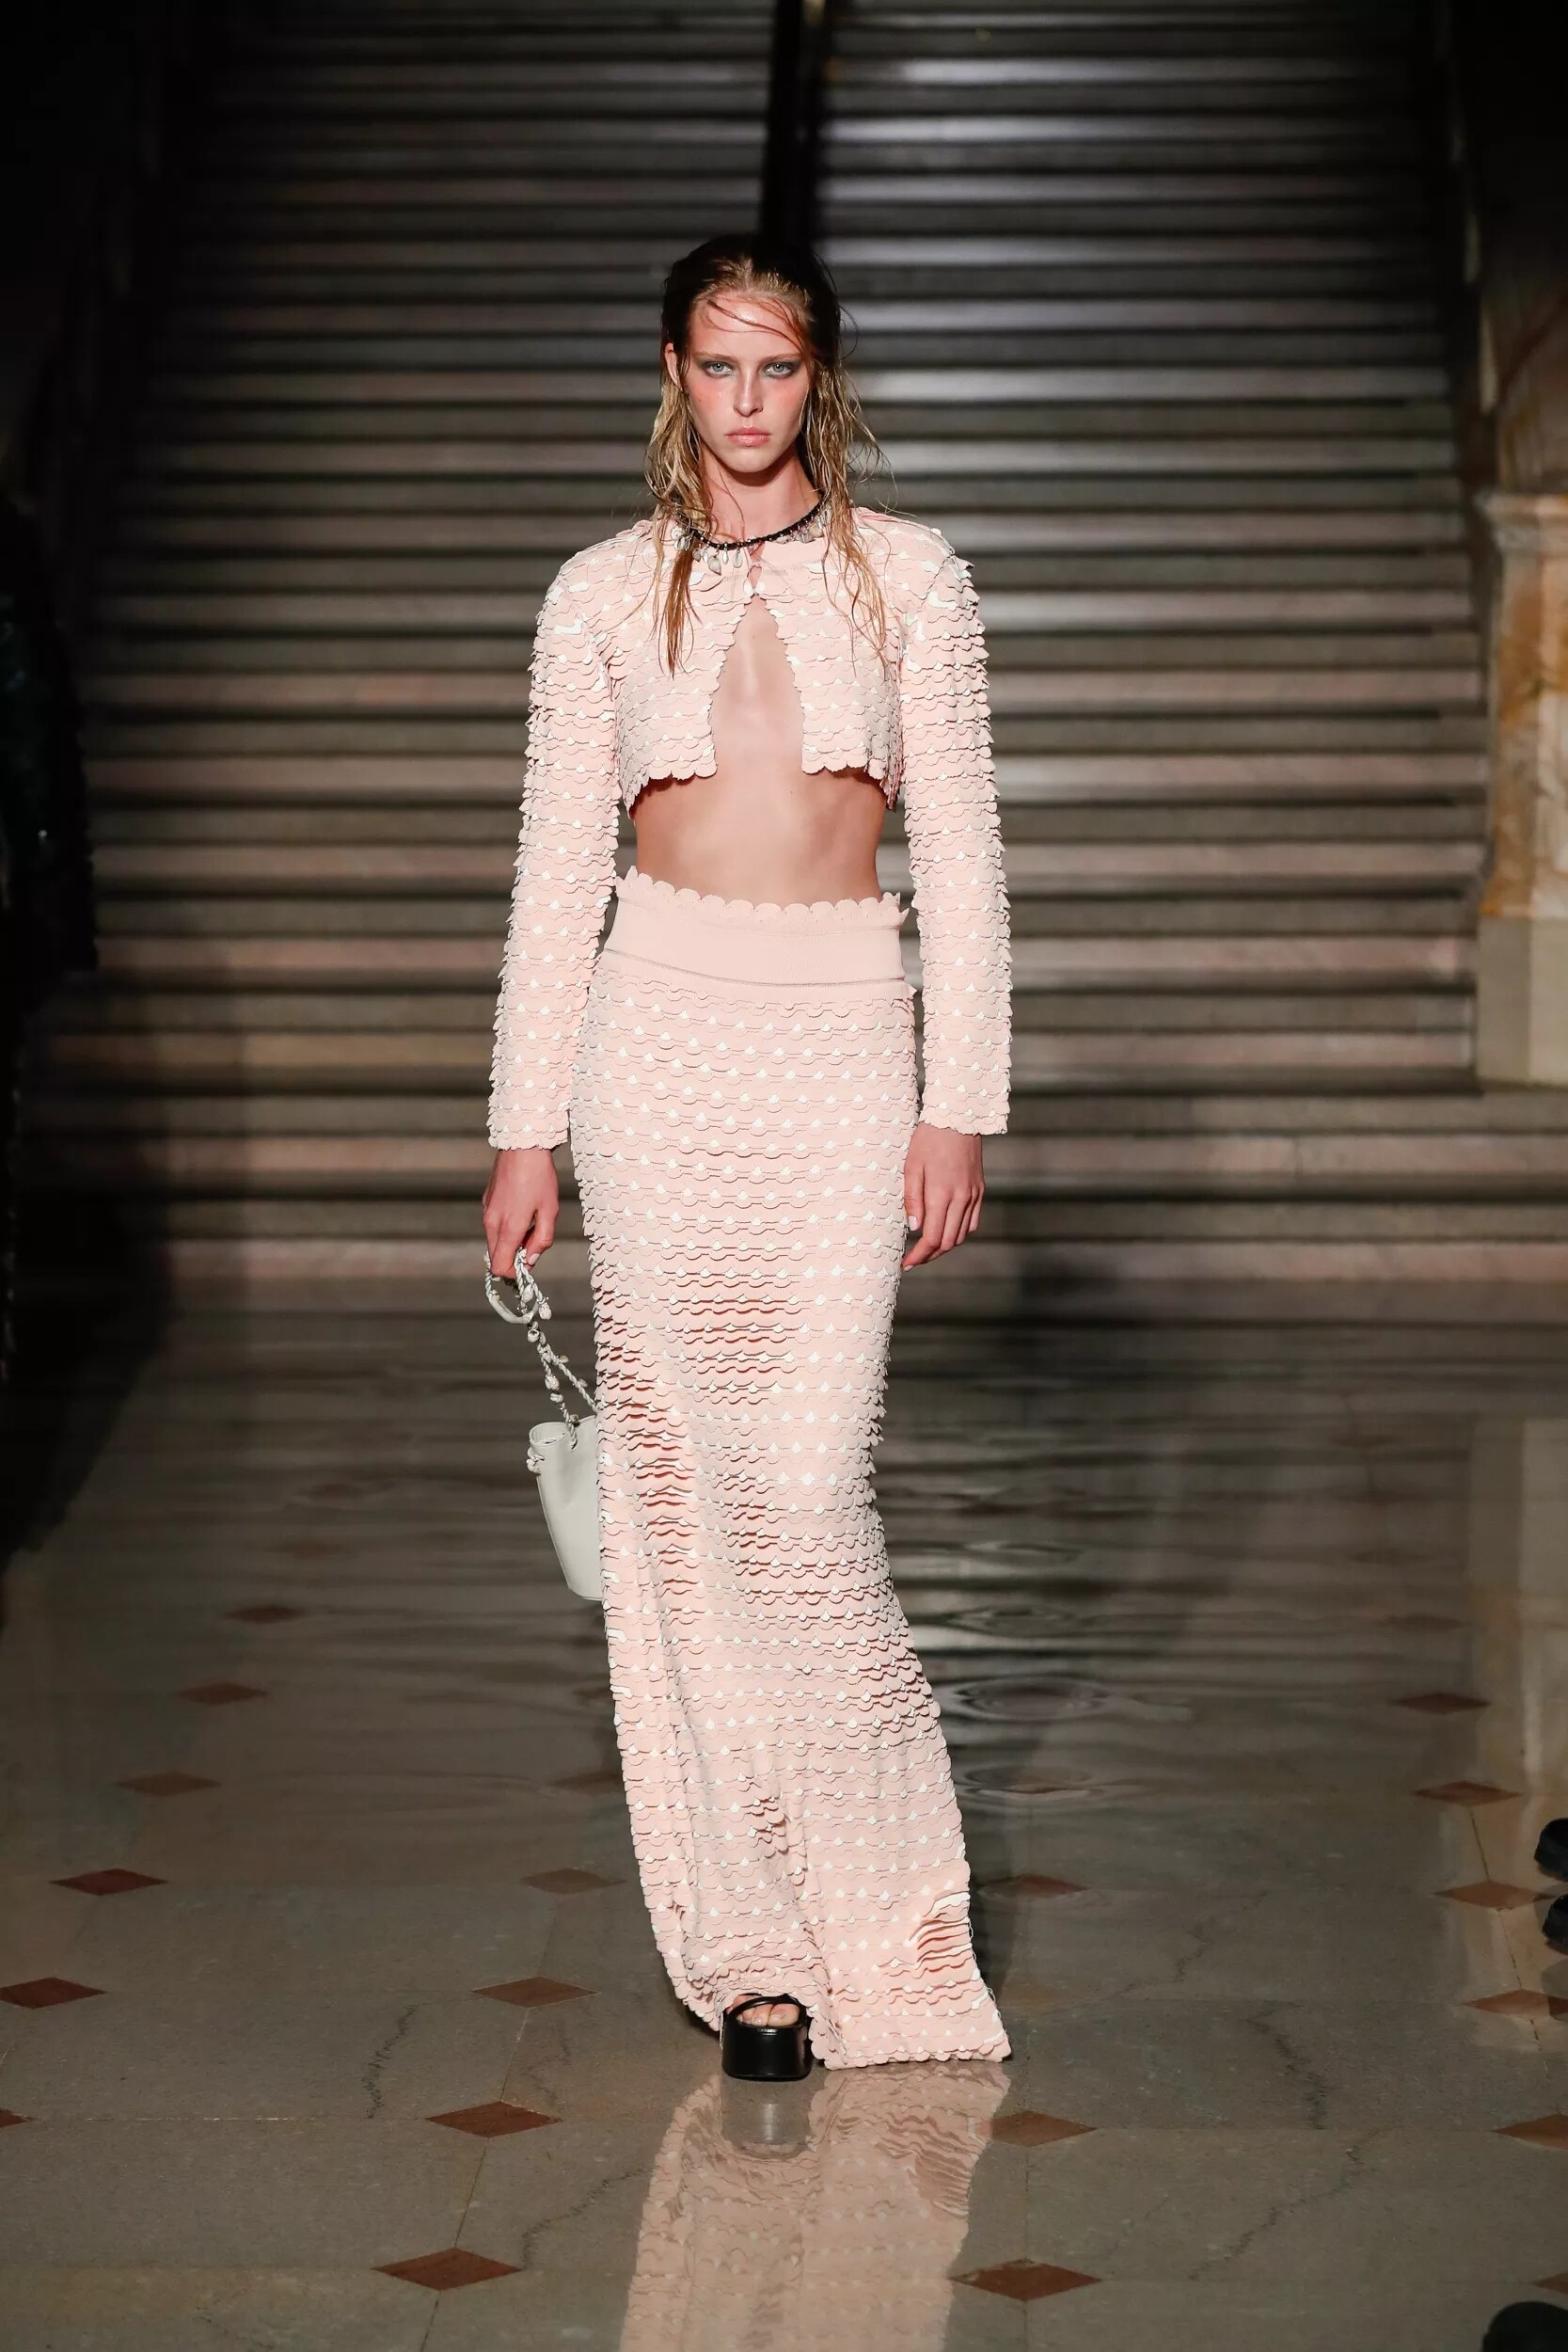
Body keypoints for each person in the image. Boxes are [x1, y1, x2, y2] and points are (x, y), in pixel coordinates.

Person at [483, 234, 1011, 2076]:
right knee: (682, 1507)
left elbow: (965, 853)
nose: (747, 400)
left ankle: (895, 1923)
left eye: (777, 366)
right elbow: (558, 866)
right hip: (656, 1050)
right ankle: (756, 1946)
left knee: (806, 1493)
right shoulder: (598, 594)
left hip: (845, 1045)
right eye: (718, 366)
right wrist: (523, 1125)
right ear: (674, 374)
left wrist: (960, 1100)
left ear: (820, 378)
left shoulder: (914, 578)